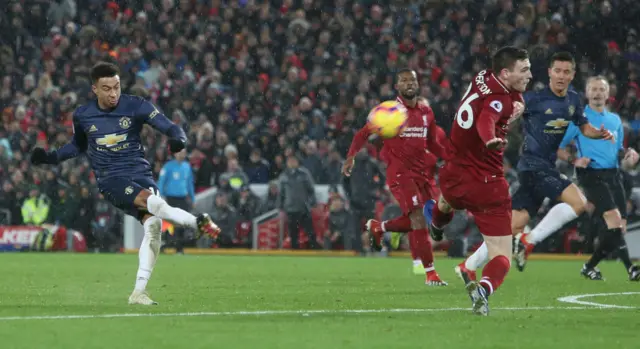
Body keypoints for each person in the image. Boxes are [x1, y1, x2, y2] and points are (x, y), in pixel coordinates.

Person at [30, 62, 220, 305]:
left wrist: (178, 139)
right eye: (107, 88)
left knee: (154, 226)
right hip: (111, 179)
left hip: (140, 174)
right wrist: (51, 157)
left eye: (117, 87)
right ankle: (197, 222)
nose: (113, 94)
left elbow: (168, 125)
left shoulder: (136, 105)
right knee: (154, 204)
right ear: (95, 89)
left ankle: (138, 292)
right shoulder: (83, 115)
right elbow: (78, 145)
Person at [440, 52, 615, 281]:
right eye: (557, 71)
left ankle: (468, 266)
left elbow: (584, 128)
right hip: (533, 165)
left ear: (573, 75)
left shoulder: (573, 101)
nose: (562, 76)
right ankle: (529, 240)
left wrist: (599, 133)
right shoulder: (532, 99)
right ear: (550, 72)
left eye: (567, 71)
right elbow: (503, 111)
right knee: (579, 202)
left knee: (510, 227)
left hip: (541, 168)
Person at [432, 46, 532, 315]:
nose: (530, 75)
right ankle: (484, 290)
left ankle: (436, 226)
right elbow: (488, 117)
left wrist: (513, 105)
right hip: (486, 184)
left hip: (453, 173)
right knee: (502, 254)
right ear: (505, 72)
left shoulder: (482, 78)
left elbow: (492, 104)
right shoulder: (503, 100)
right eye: (524, 70)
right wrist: (491, 138)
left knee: (445, 201)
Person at [342, 68, 450, 286]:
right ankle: (430, 273)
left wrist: (451, 158)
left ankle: (379, 227)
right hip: (400, 174)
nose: (409, 83)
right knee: (418, 218)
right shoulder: (389, 112)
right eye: (404, 81)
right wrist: (351, 156)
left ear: (418, 84)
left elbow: (432, 143)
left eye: (412, 80)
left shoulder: (426, 112)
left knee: (433, 216)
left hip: (422, 175)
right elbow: (363, 133)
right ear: (397, 86)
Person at [557, 76, 640, 281]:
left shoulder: (614, 120)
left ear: (607, 93)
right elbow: (558, 148)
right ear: (587, 93)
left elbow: (618, 150)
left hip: (614, 175)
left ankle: (589, 266)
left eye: (601, 89)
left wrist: (629, 158)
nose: (597, 93)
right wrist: (574, 160)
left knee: (618, 228)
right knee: (613, 220)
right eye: (593, 89)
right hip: (591, 175)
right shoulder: (579, 118)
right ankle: (631, 268)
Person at [157, 148, 195, 254]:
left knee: (182, 224)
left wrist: (193, 198)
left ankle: (177, 247)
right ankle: (167, 245)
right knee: (170, 225)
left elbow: (189, 183)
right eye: (180, 152)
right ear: (175, 153)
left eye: (183, 152)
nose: (182, 154)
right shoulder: (168, 167)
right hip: (170, 199)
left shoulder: (187, 166)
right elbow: (161, 182)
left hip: (182, 199)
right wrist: (161, 196)